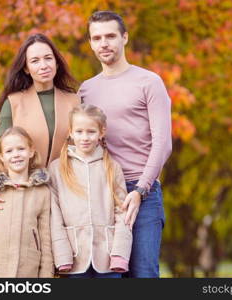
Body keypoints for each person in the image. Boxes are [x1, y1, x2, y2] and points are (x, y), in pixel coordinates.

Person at [78, 11, 172, 278]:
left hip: (141, 193)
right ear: (90, 43)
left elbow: (163, 144)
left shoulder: (149, 82)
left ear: (125, 38)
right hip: (100, 194)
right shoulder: (85, 90)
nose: (103, 43)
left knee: (143, 274)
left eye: (110, 36)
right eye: (97, 38)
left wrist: (140, 190)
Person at [0, 33, 80, 215]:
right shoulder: (13, 103)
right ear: (27, 68)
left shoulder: (75, 102)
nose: (43, 65)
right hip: (25, 196)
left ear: (57, 62)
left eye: (48, 58)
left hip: (67, 196)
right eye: (35, 61)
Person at [48, 104, 132, 278]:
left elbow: (122, 213)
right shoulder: (57, 168)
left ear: (101, 132)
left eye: (91, 132)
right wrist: (62, 254)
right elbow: (54, 216)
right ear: (70, 132)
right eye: (79, 132)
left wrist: (119, 254)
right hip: (74, 258)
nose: (84, 137)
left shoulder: (112, 167)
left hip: (107, 259)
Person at [0, 127, 54, 278]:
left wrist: (46, 274)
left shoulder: (42, 192)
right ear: (1, 156)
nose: (16, 155)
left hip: (28, 270)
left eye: (21, 149)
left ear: (31, 151)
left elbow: (46, 239)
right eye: (9, 151)